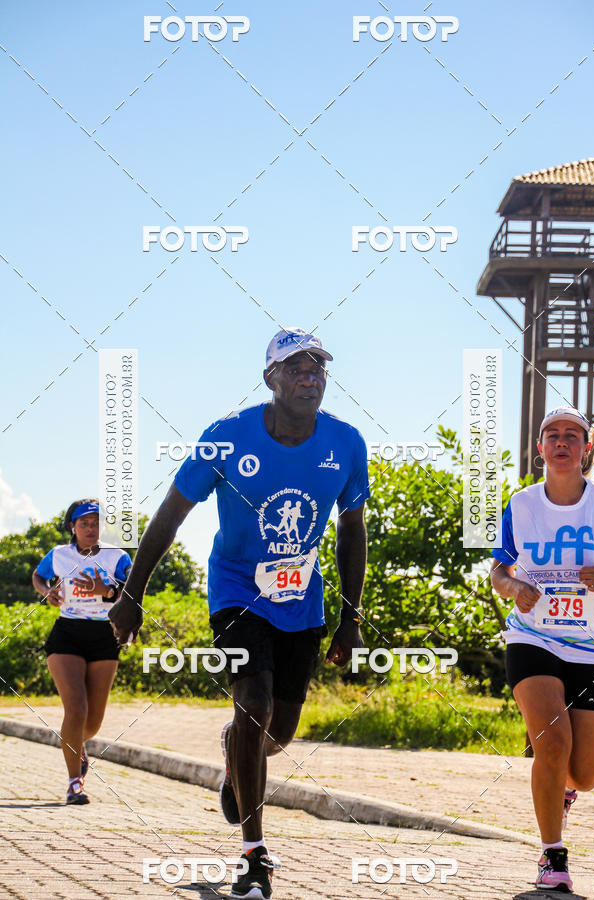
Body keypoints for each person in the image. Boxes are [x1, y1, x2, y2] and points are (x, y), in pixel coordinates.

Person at [109, 328, 369, 900]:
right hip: (235, 591)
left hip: (302, 600)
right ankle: (254, 855)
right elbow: (170, 515)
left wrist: (351, 616)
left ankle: (235, 754)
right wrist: (132, 594)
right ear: (269, 377)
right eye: (296, 368)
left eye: (318, 368)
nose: (310, 377)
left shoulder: (347, 444)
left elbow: (352, 530)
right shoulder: (226, 438)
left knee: (278, 732)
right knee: (253, 702)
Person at [490, 407, 594, 893]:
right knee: (552, 744)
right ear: (540, 448)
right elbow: (498, 572)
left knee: (587, 772)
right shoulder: (521, 504)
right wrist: (513, 588)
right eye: (552, 435)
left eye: (571, 436)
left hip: (593, 646)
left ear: (587, 447)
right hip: (534, 637)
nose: (561, 443)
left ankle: (566, 787)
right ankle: (552, 856)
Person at [32, 500, 132, 805]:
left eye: (96, 523)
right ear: (72, 527)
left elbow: (134, 590)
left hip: (104, 635)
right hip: (67, 634)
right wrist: (46, 590)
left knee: (92, 722)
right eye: (84, 523)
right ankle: (75, 783)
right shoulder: (59, 555)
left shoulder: (117, 557)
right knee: (75, 708)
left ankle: (79, 745)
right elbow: (38, 576)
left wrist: (108, 592)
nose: (91, 528)